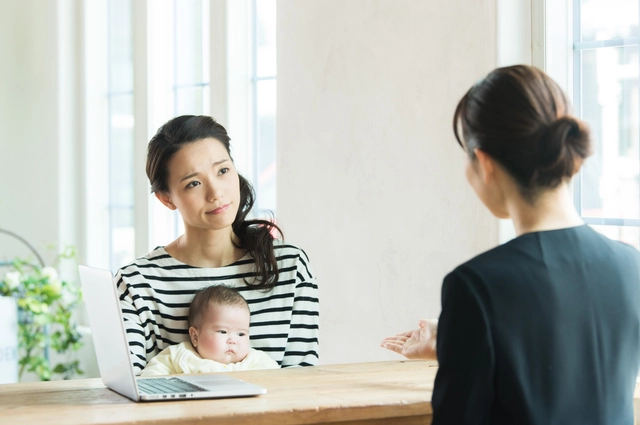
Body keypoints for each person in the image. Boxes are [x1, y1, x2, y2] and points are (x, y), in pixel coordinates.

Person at [381, 65, 640, 424]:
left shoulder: (475, 285)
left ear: (484, 163)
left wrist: (464, 336)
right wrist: (456, 343)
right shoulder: (630, 266)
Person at [116, 115, 319, 375]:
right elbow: (129, 391)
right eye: (193, 183)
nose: (216, 193)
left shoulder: (290, 267)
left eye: (223, 171)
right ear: (166, 198)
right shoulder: (137, 283)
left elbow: (303, 383)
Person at [140, 284, 279, 376]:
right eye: (223, 332)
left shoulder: (255, 361)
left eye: (241, 334)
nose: (232, 340)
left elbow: (279, 381)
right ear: (195, 336)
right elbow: (151, 377)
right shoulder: (181, 356)